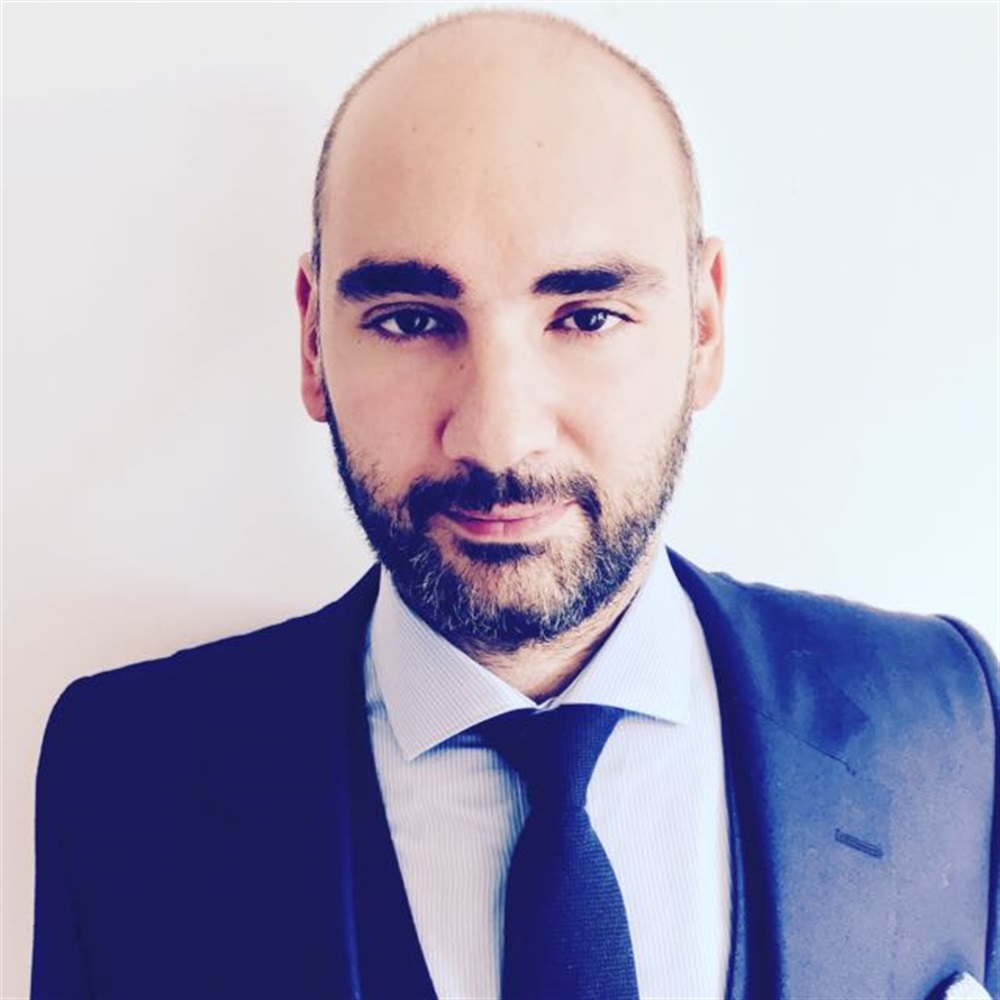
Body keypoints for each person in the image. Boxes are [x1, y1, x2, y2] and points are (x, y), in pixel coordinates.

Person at [31, 9, 997, 1000]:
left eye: (587, 316)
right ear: (313, 342)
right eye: (410, 321)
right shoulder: (119, 778)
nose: (498, 438)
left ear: (703, 327)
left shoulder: (949, 716)